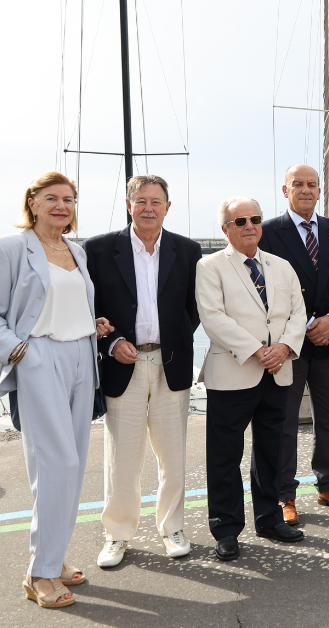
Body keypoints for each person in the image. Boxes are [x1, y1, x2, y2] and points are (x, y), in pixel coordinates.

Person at [84, 175, 202, 568]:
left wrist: (172, 339)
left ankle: (172, 528)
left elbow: (193, 308)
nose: (149, 208)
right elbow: (90, 309)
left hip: (170, 364)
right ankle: (117, 534)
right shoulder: (99, 250)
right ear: (129, 204)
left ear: (168, 206)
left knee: (173, 455)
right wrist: (111, 343)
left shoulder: (187, 250)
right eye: (141, 201)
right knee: (123, 456)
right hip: (124, 365)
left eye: (157, 201)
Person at [0, 172, 105, 608]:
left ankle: (54, 555)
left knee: (74, 464)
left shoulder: (76, 251)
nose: (62, 205)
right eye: (52, 198)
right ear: (33, 201)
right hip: (40, 358)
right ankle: (39, 573)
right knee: (55, 462)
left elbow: (65, 302)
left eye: (69, 198)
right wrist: (20, 351)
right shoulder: (11, 247)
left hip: (82, 356)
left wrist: (90, 324)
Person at [196, 197, 307, 561]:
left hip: (278, 370)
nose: (249, 226)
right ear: (225, 228)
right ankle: (226, 529)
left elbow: (296, 313)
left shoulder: (281, 266)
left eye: (255, 219)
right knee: (225, 456)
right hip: (234, 371)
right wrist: (259, 350)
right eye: (239, 220)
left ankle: (269, 518)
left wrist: (285, 348)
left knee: (271, 450)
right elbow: (213, 317)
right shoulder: (210, 266)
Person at [258, 164, 329, 525]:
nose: (305, 190)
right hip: (290, 343)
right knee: (284, 420)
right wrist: (305, 326)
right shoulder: (268, 232)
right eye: (297, 184)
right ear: (284, 190)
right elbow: (265, 289)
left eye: (311, 185)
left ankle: (328, 484)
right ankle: (285, 494)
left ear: (320, 191)